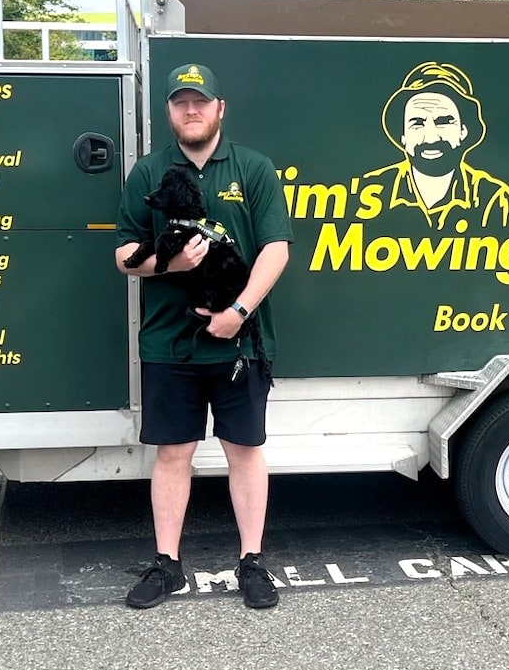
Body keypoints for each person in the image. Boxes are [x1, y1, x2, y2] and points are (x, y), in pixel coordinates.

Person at [114, 63, 293, 610]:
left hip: (239, 340)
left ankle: (253, 562)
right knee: (173, 453)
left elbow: (276, 249)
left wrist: (238, 311)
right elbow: (124, 256)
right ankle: (167, 566)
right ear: (168, 111)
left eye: (200, 101)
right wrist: (167, 264)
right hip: (170, 342)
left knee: (244, 451)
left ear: (220, 108)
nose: (190, 111)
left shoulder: (253, 168)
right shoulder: (148, 172)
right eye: (179, 102)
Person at [364, 61, 509, 230]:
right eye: (417, 123)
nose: (431, 138)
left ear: (463, 131)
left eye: (443, 122)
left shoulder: (493, 199)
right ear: (403, 136)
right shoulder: (370, 193)